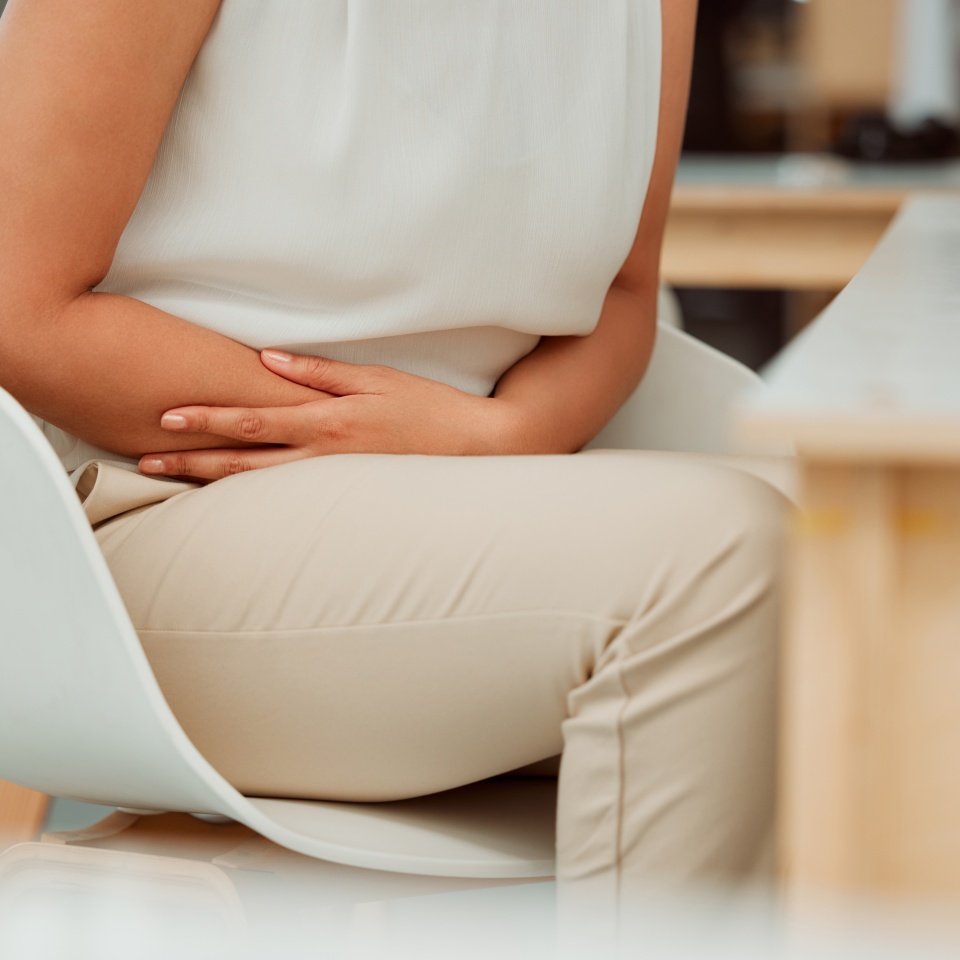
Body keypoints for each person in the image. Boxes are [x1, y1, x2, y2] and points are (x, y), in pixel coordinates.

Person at [0, 0, 784, 921]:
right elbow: (21, 306)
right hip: (118, 526)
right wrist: (378, 431)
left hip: (498, 491)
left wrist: (494, 437)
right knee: (721, 559)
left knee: (877, 564)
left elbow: (625, 291)